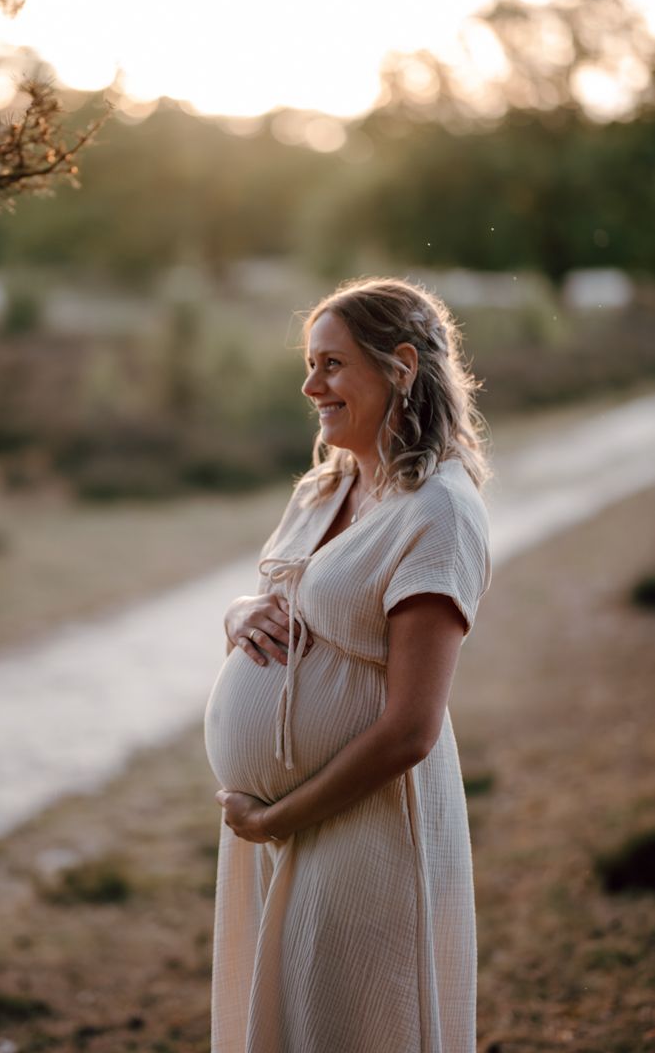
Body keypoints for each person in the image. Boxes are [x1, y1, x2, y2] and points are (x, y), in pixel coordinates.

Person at [204, 276, 492, 1053]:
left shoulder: (438, 512)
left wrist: (278, 817)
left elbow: (408, 731)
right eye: (309, 364)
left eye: (331, 365)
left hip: (362, 826)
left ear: (399, 366)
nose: (310, 386)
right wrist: (237, 614)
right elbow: (287, 599)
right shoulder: (324, 485)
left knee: (348, 1028)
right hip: (279, 830)